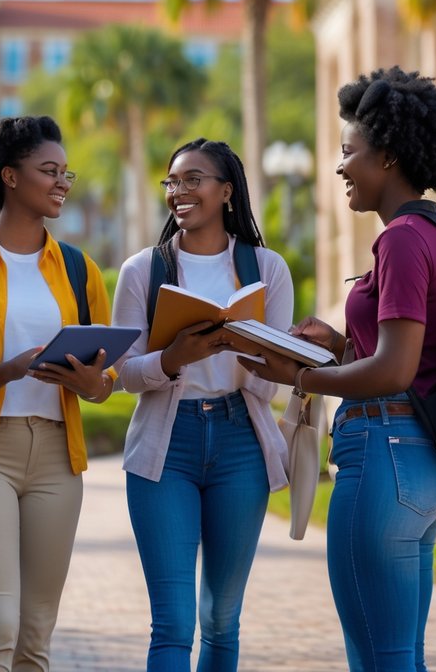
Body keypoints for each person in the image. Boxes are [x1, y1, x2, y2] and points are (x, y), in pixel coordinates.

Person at [230, 66, 436, 671]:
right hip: (422, 466)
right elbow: (406, 357)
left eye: (347, 152)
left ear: (385, 157)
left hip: (384, 456)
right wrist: (337, 346)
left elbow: (393, 372)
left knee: (379, 661)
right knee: (400, 657)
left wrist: (298, 377)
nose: (339, 167)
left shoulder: (401, 241)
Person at [0, 115, 115, 672]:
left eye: (66, 173)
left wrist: (91, 384)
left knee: (35, 633)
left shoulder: (80, 269)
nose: (61, 182)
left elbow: (105, 383)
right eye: (48, 170)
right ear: (9, 176)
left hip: (59, 456)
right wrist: (7, 371)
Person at [110, 138, 294, 671]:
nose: (179, 191)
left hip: (241, 441)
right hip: (166, 446)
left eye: (193, 180)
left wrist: (247, 351)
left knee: (221, 619)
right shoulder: (143, 270)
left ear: (226, 191)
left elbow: (278, 374)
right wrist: (174, 358)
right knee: (172, 624)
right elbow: (125, 373)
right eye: (172, 181)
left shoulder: (266, 267)